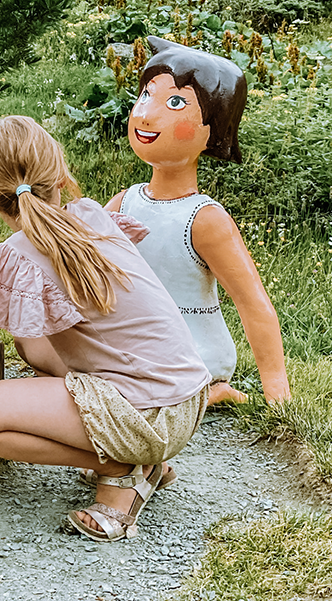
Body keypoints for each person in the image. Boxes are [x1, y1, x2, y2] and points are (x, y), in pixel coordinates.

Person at [0, 116, 211, 542]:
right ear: (60, 176)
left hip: (143, 416)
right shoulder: (92, 215)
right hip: (184, 402)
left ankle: (118, 466)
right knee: (33, 348)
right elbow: (44, 319)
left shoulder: (13, 254)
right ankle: (139, 457)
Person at [105, 36, 292, 405]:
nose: (146, 113)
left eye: (175, 102)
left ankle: (212, 389)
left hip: (192, 353)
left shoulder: (205, 220)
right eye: (146, 94)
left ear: (214, 131)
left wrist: (278, 394)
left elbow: (252, 302)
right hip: (139, 346)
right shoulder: (125, 203)